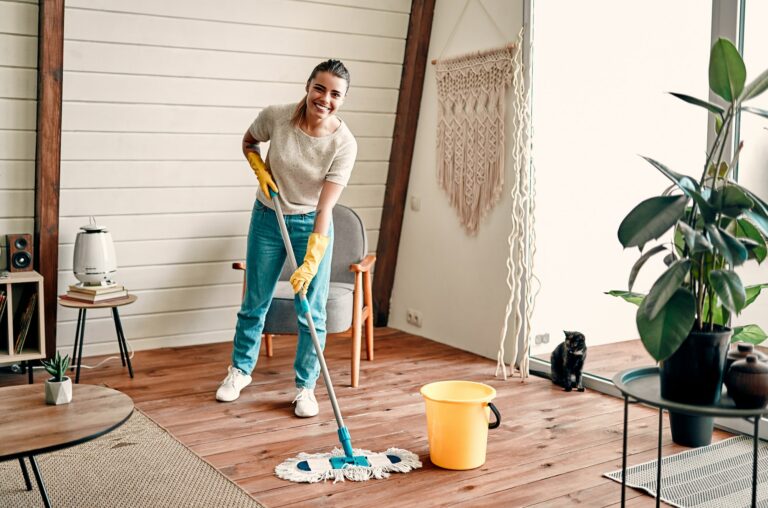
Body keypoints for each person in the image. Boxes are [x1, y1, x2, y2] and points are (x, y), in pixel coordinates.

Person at [215, 60, 357, 418]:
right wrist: (259, 169)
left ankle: (305, 388)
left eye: (335, 94)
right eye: (320, 88)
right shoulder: (276, 117)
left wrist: (312, 259)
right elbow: (249, 142)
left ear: (343, 99)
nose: (325, 99)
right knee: (255, 299)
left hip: (311, 223)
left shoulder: (343, 144)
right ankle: (240, 371)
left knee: (312, 311)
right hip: (268, 216)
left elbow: (326, 209)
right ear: (308, 86)